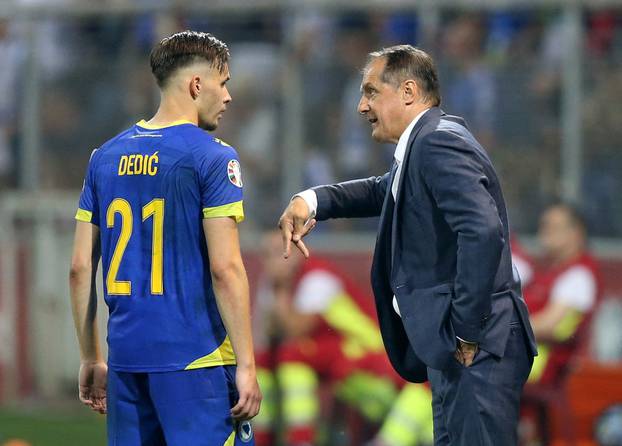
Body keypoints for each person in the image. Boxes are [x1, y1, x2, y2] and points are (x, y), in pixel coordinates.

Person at [279, 45, 537, 445]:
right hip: (460, 349)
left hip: (475, 347)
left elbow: (482, 231)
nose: (362, 106)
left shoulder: (435, 144)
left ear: (408, 91)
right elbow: (384, 190)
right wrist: (311, 200)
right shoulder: (429, 141)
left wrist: (466, 330)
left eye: (370, 92)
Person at [69, 31, 261, 446]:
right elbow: (225, 268)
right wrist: (246, 364)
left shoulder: (103, 157)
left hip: (125, 363)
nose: (228, 97)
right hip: (197, 362)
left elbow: (80, 267)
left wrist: (89, 357)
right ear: (196, 86)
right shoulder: (213, 157)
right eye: (223, 83)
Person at [253, 231, 433, 446]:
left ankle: (302, 440)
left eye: (281, 252)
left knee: (292, 355)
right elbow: (266, 337)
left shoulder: (317, 277)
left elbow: (295, 330)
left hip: (369, 347)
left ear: (299, 251)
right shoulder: (274, 282)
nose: (274, 261)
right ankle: (266, 438)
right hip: (339, 352)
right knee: (267, 359)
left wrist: (280, 290)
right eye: (267, 254)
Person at [525, 203, 602, 385]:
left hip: (539, 371)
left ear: (576, 233)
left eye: (554, 227)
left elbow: (552, 325)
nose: (545, 232)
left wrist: (499, 328)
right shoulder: (549, 272)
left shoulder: (579, 275)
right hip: (520, 363)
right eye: (543, 225)